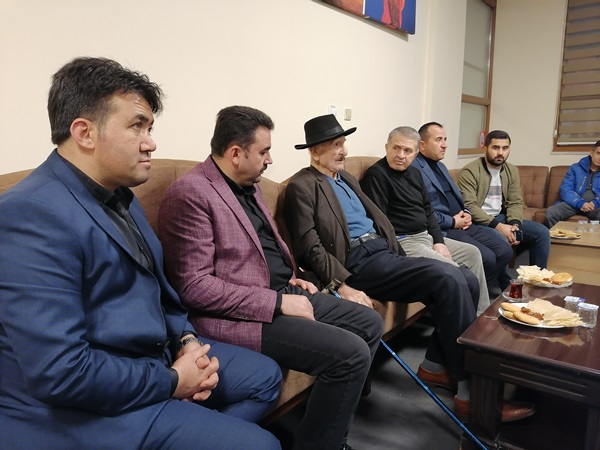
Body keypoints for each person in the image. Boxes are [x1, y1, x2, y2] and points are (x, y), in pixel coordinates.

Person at [0, 57, 282, 450]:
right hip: (83, 407)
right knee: (263, 446)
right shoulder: (30, 213)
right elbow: (60, 372)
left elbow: (160, 291)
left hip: (154, 354)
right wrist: (173, 381)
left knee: (266, 378)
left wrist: (186, 340)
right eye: (137, 126)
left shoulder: (122, 195)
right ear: (84, 132)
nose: (151, 142)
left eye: (150, 128)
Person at [158, 106, 384, 450]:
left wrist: (295, 276)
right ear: (236, 153)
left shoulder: (249, 185)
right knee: (350, 353)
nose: (270, 160)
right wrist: (277, 302)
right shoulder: (190, 193)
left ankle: (333, 416)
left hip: (283, 291)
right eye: (264, 151)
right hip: (240, 315)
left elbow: (266, 247)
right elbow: (194, 287)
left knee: (369, 321)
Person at [284, 114, 534, 422]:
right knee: (448, 277)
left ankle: (434, 366)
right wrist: (342, 285)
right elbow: (310, 247)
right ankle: (472, 396)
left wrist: (404, 250)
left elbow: (380, 220)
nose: (344, 151)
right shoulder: (302, 185)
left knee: (467, 278)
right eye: (336, 145)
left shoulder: (346, 178)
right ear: (315, 151)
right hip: (357, 262)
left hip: (384, 251)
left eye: (343, 143)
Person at [360, 126, 491, 314]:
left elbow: (428, 210)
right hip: (404, 241)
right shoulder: (377, 175)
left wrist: (439, 241)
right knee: (457, 274)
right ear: (387, 147)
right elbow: (380, 221)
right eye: (396, 148)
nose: (401, 155)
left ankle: (481, 316)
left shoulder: (414, 173)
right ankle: (462, 325)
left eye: (407, 151)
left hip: (426, 236)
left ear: (415, 154)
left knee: (473, 253)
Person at [416, 122, 513, 294]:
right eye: (438, 140)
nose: (445, 145)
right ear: (422, 145)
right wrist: (453, 221)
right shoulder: (415, 169)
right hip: (445, 227)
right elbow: (423, 210)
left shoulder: (440, 166)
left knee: (504, 250)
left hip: (464, 222)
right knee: (487, 257)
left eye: (445, 139)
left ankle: (478, 291)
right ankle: (473, 295)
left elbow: (459, 197)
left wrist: (467, 212)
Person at [458, 130, 550, 275]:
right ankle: (505, 285)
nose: (500, 153)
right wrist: (499, 227)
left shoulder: (511, 170)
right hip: (478, 222)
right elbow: (470, 206)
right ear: (485, 148)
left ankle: (537, 280)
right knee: (502, 240)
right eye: (496, 148)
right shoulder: (470, 171)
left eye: (505, 148)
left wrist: (514, 224)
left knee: (542, 233)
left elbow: (515, 201)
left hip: (501, 217)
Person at [545, 140, 600, 227]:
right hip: (574, 203)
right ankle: (559, 236)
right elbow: (565, 190)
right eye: (598, 153)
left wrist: (595, 203)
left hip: (595, 206)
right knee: (552, 212)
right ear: (591, 153)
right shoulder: (575, 168)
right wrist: (580, 203)